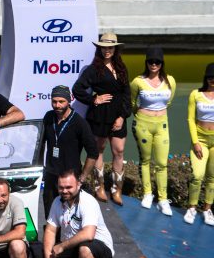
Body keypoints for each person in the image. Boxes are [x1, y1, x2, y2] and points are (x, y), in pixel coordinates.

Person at [73, 33, 131, 205]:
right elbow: (77, 89)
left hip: (118, 115)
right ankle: (99, 187)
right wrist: (94, 99)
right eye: (104, 47)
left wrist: (122, 116)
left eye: (110, 47)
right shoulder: (93, 69)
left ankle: (116, 189)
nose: (107, 51)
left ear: (115, 49)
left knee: (119, 150)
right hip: (99, 116)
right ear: (99, 49)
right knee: (98, 150)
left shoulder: (121, 68)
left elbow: (127, 94)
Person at [41, 170, 114, 258]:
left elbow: (89, 234)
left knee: (84, 249)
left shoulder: (87, 201)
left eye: (68, 187)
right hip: (73, 246)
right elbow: (51, 230)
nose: (64, 191)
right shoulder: (57, 201)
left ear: (78, 185)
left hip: (99, 246)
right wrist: (48, 252)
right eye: (61, 187)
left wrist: (61, 246)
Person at [130, 47, 176, 216]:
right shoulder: (137, 81)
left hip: (162, 124)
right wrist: (143, 115)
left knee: (162, 163)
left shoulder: (170, 80)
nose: (154, 64)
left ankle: (163, 199)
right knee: (145, 160)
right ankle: (147, 193)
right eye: (151, 61)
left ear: (162, 63)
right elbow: (132, 103)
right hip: (143, 124)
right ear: (146, 63)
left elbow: (169, 102)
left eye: (157, 62)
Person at [40, 85, 98, 217]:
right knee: (50, 215)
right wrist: (40, 166)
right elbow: (41, 143)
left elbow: (93, 153)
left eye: (61, 101)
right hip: (51, 176)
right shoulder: (48, 117)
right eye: (54, 101)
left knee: (69, 217)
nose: (57, 105)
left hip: (70, 178)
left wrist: (81, 179)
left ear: (69, 100)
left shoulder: (79, 123)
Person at [183, 62, 214, 225]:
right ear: (205, 78)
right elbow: (190, 119)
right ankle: (192, 208)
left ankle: (207, 209)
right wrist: (195, 142)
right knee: (197, 175)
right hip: (200, 139)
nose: (212, 80)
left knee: (212, 177)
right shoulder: (195, 94)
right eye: (210, 77)